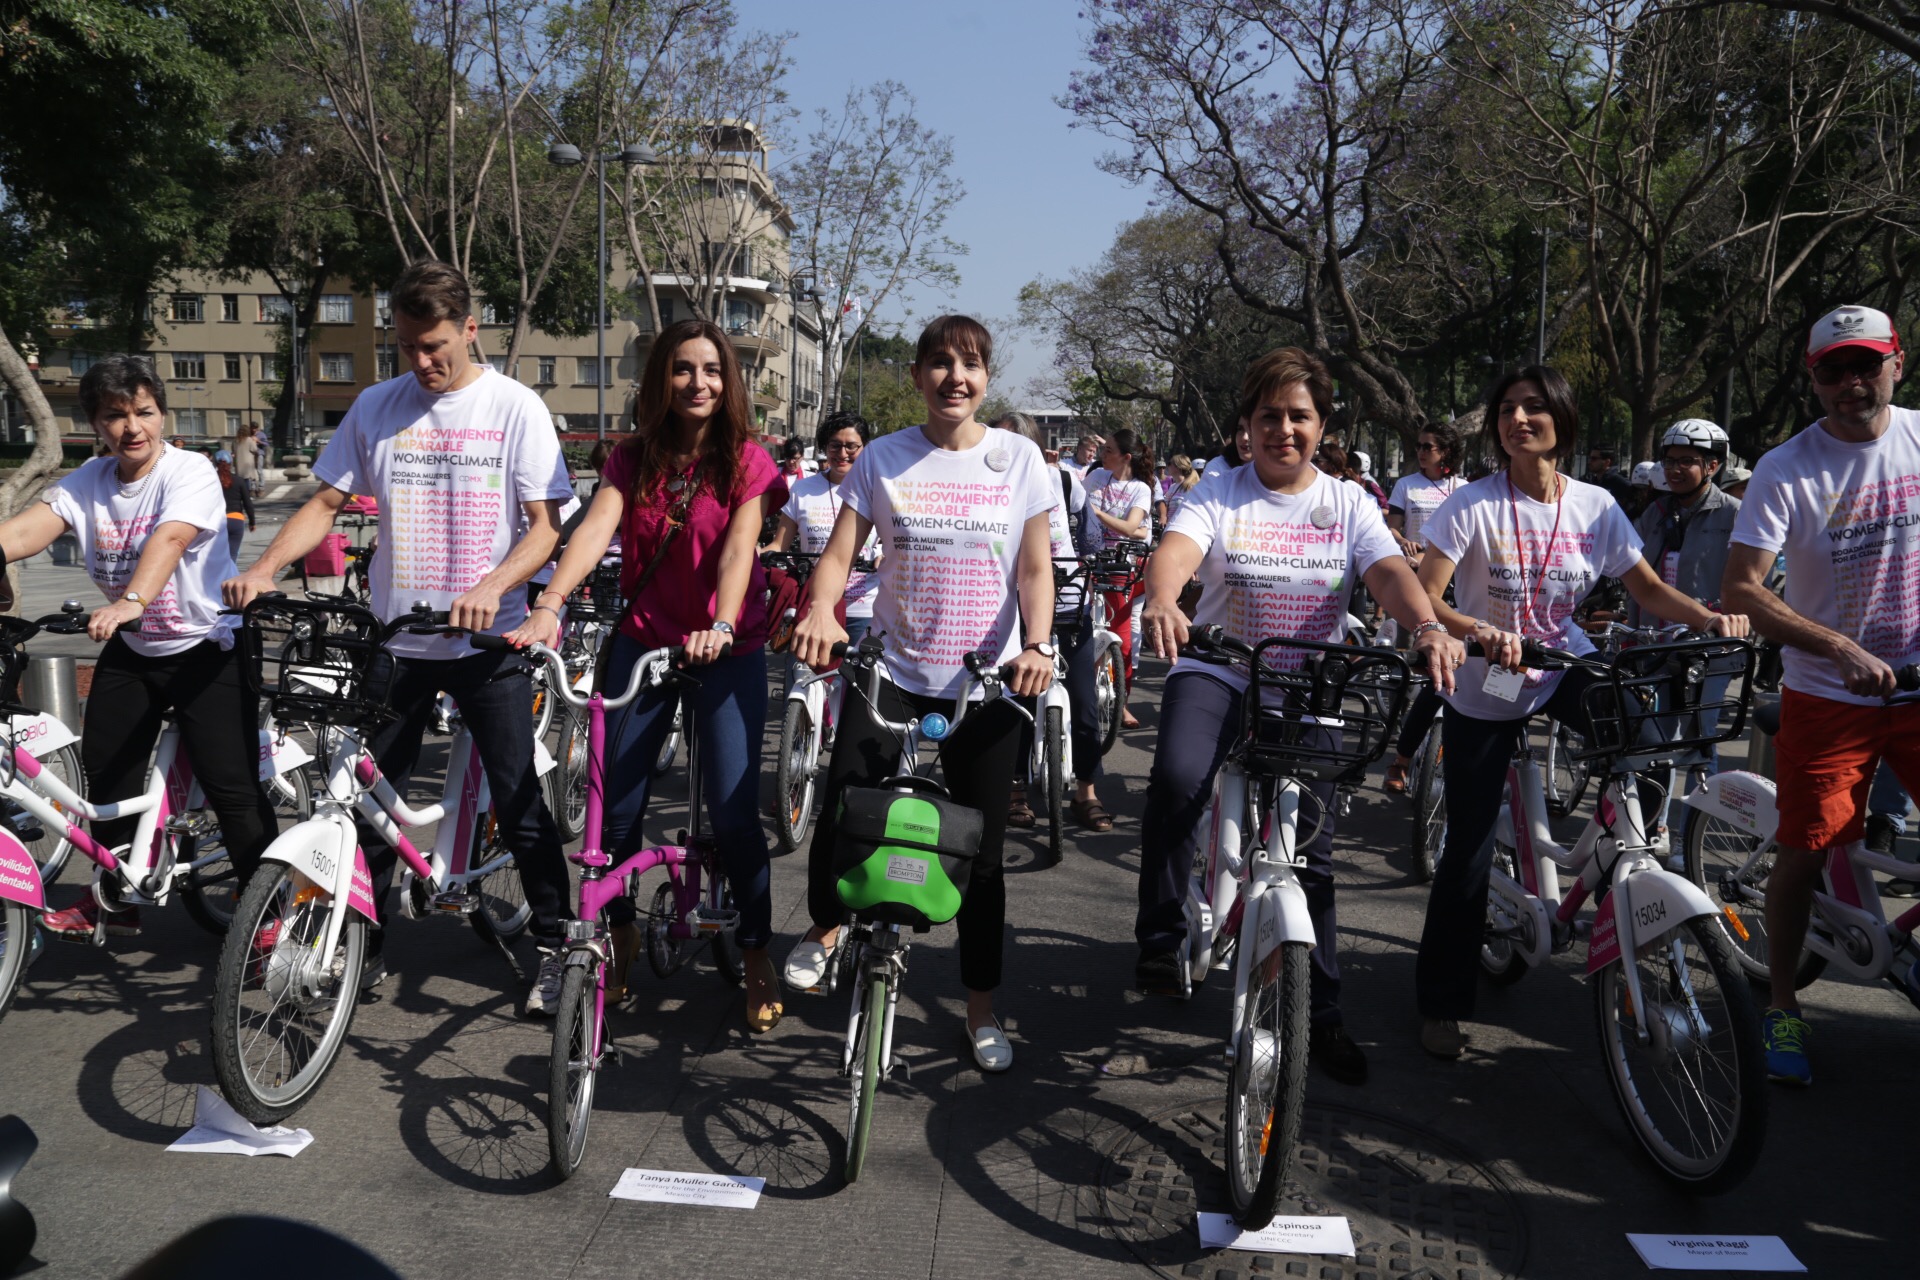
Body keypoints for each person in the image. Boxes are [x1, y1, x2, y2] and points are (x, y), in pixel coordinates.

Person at [224, 260, 575, 1012]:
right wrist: (266, 568)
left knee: (519, 801)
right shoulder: (378, 406)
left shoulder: (515, 408)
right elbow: (326, 500)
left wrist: (493, 587)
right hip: (397, 640)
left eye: (437, 345)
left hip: (490, 646)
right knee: (365, 801)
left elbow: (546, 529)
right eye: (408, 347)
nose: (422, 363)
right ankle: (363, 946)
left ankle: (555, 943)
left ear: (470, 329)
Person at [1134, 346, 1465, 1085]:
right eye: (1269, 416)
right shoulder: (1219, 490)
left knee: (1312, 853)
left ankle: (1322, 1015)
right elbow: (1178, 553)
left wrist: (1429, 627)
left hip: (1308, 685)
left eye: (1300, 416)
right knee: (1180, 776)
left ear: (1322, 425)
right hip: (1219, 669)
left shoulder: (1347, 502)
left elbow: (1389, 575)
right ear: (1246, 424)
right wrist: (1163, 596)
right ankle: (1160, 933)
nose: (1284, 429)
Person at [1411, 364, 1748, 1061]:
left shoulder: (1595, 504)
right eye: (1507, 409)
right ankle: (1441, 1000)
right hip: (1486, 680)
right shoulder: (1470, 503)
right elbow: (1428, 598)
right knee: (1469, 846)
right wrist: (1475, 630)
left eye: (1534, 408)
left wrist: (1712, 619)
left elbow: (1647, 587)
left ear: (1562, 419)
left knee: (1647, 747)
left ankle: (1618, 866)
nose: (1518, 420)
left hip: (1562, 661)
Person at [784, 315, 1057, 1074]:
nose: (954, 379)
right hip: (894, 674)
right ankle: (826, 930)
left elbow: (1035, 569)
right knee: (845, 808)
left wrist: (1037, 646)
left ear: (986, 378)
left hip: (988, 685)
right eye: (939, 364)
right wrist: (817, 613)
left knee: (985, 857)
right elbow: (838, 557)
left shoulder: (1019, 460)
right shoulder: (883, 458)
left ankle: (979, 1008)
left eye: (969, 365)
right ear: (917, 377)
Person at [508, 318, 788, 1032]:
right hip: (644, 645)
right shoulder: (631, 459)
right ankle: (619, 933)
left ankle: (755, 950)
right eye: (683, 369)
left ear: (730, 383)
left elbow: (738, 552)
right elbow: (597, 528)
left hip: (728, 649)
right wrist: (550, 603)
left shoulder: (747, 462)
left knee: (731, 813)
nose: (699, 383)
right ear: (661, 378)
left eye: (712, 371)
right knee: (615, 817)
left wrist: (722, 625)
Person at [2, 357, 277, 939]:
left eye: (144, 413)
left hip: (206, 647)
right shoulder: (89, 481)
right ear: (97, 424)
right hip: (135, 646)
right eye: (115, 416)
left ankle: (272, 913)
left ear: (162, 414)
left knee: (231, 786)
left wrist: (132, 599)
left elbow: (171, 537)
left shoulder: (191, 471)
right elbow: (26, 531)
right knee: (108, 772)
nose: (132, 428)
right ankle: (115, 896)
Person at [1721, 304, 1920, 1087]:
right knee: (1803, 855)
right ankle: (1782, 1005)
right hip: (1828, 696)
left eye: (1864, 364)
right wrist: (1838, 647)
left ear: (1897, 362)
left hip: (1916, 688)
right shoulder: (1786, 467)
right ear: (1814, 379)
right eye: (1833, 370)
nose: (1851, 383)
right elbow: (1742, 587)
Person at [1629, 420, 1743, 847]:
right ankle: (1650, 830)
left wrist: (1729, 619)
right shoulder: (1654, 514)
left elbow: (1755, 583)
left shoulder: (1734, 515)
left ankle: (1690, 840)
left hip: (1710, 649)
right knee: (1650, 740)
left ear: (1712, 465)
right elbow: (1631, 572)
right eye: (1670, 461)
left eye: (1688, 462)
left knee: (1699, 739)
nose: (1675, 470)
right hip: (1653, 644)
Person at [1001, 411, 1110, 834]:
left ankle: (1086, 791)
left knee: (1083, 704)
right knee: (1017, 702)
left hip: (1068, 604)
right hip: (1013, 611)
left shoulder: (1064, 482)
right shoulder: (988, 485)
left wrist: (1085, 563)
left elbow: (1090, 538)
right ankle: (1014, 788)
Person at [1381, 420, 1469, 792]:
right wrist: (1404, 543)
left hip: (1455, 586)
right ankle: (1401, 722)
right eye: (1418, 445)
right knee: (1413, 659)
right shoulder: (1406, 485)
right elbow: (1392, 526)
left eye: (1428, 446)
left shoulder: (1464, 490)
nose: (1420, 451)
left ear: (1447, 452)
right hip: (1413, 579)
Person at [773, 410, 880, 651]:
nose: (843, 454)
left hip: (862, 609)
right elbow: (778, 545)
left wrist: (884, 553)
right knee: (802, 680)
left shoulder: (878, 489)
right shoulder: (802, 490)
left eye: (851, 446)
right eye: (835, 446)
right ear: (824, 447)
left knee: (856, 685)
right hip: (811, 605)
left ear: (864, 448)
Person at [1084, 430, 1154, 730]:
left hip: (1126, 571)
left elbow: (1131, 528)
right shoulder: (1097, 477)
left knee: (1127, 638)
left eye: (1109, 450)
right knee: (1087, 626)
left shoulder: (1141, 489)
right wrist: (1128, 528)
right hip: (1092, 564)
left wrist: (1096, 512)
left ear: (1126, 457)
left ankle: (1121, 705)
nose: (1103, 454)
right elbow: (1076, 510)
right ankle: (1085, 695)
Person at [214, 451, 254, 565]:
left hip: (218, 520)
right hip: (236, 520)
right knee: (233, 554)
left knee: (216, 553)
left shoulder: (212, 480)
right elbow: (247, 503)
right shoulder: (239, 481)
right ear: (231, 463)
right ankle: (230, 578)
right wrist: (252, 522)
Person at [233, 423, 260, 498]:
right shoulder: (249, 440)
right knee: (247, 480)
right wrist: (255, 442)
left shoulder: (235, 440)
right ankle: (247, 495)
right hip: (248, 463)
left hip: (238, 463)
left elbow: (233, 451)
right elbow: (254, 449)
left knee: (240, 479)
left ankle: (240, 494)